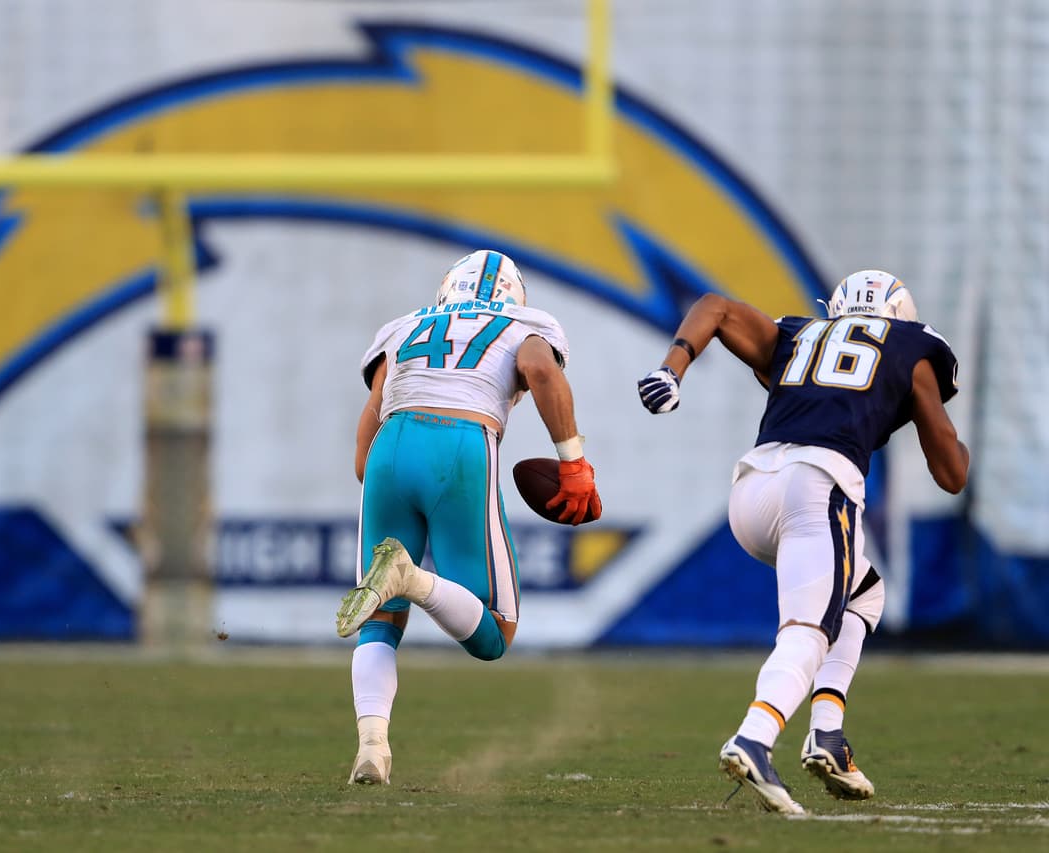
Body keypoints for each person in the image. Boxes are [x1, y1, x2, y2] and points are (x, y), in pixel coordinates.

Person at [636, 270, 968, 814]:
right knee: (809, 630)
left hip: (751, 492)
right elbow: (950, 472)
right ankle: (754, 738)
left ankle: (828, 736)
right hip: (817, 488)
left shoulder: (799, 334)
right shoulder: (912, 344)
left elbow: (716, 306)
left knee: (863, 593)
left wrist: (671, 371)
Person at [334, 249, 602, 785]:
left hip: (391, 445)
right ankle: (409, 576)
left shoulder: (406, 325)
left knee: (380, 623)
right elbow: (540, 369)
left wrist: (393, 477)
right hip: (460, 443)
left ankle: (372, 746)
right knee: (494, 633)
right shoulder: (525, 323)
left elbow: (368, 436)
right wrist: (573, 462)